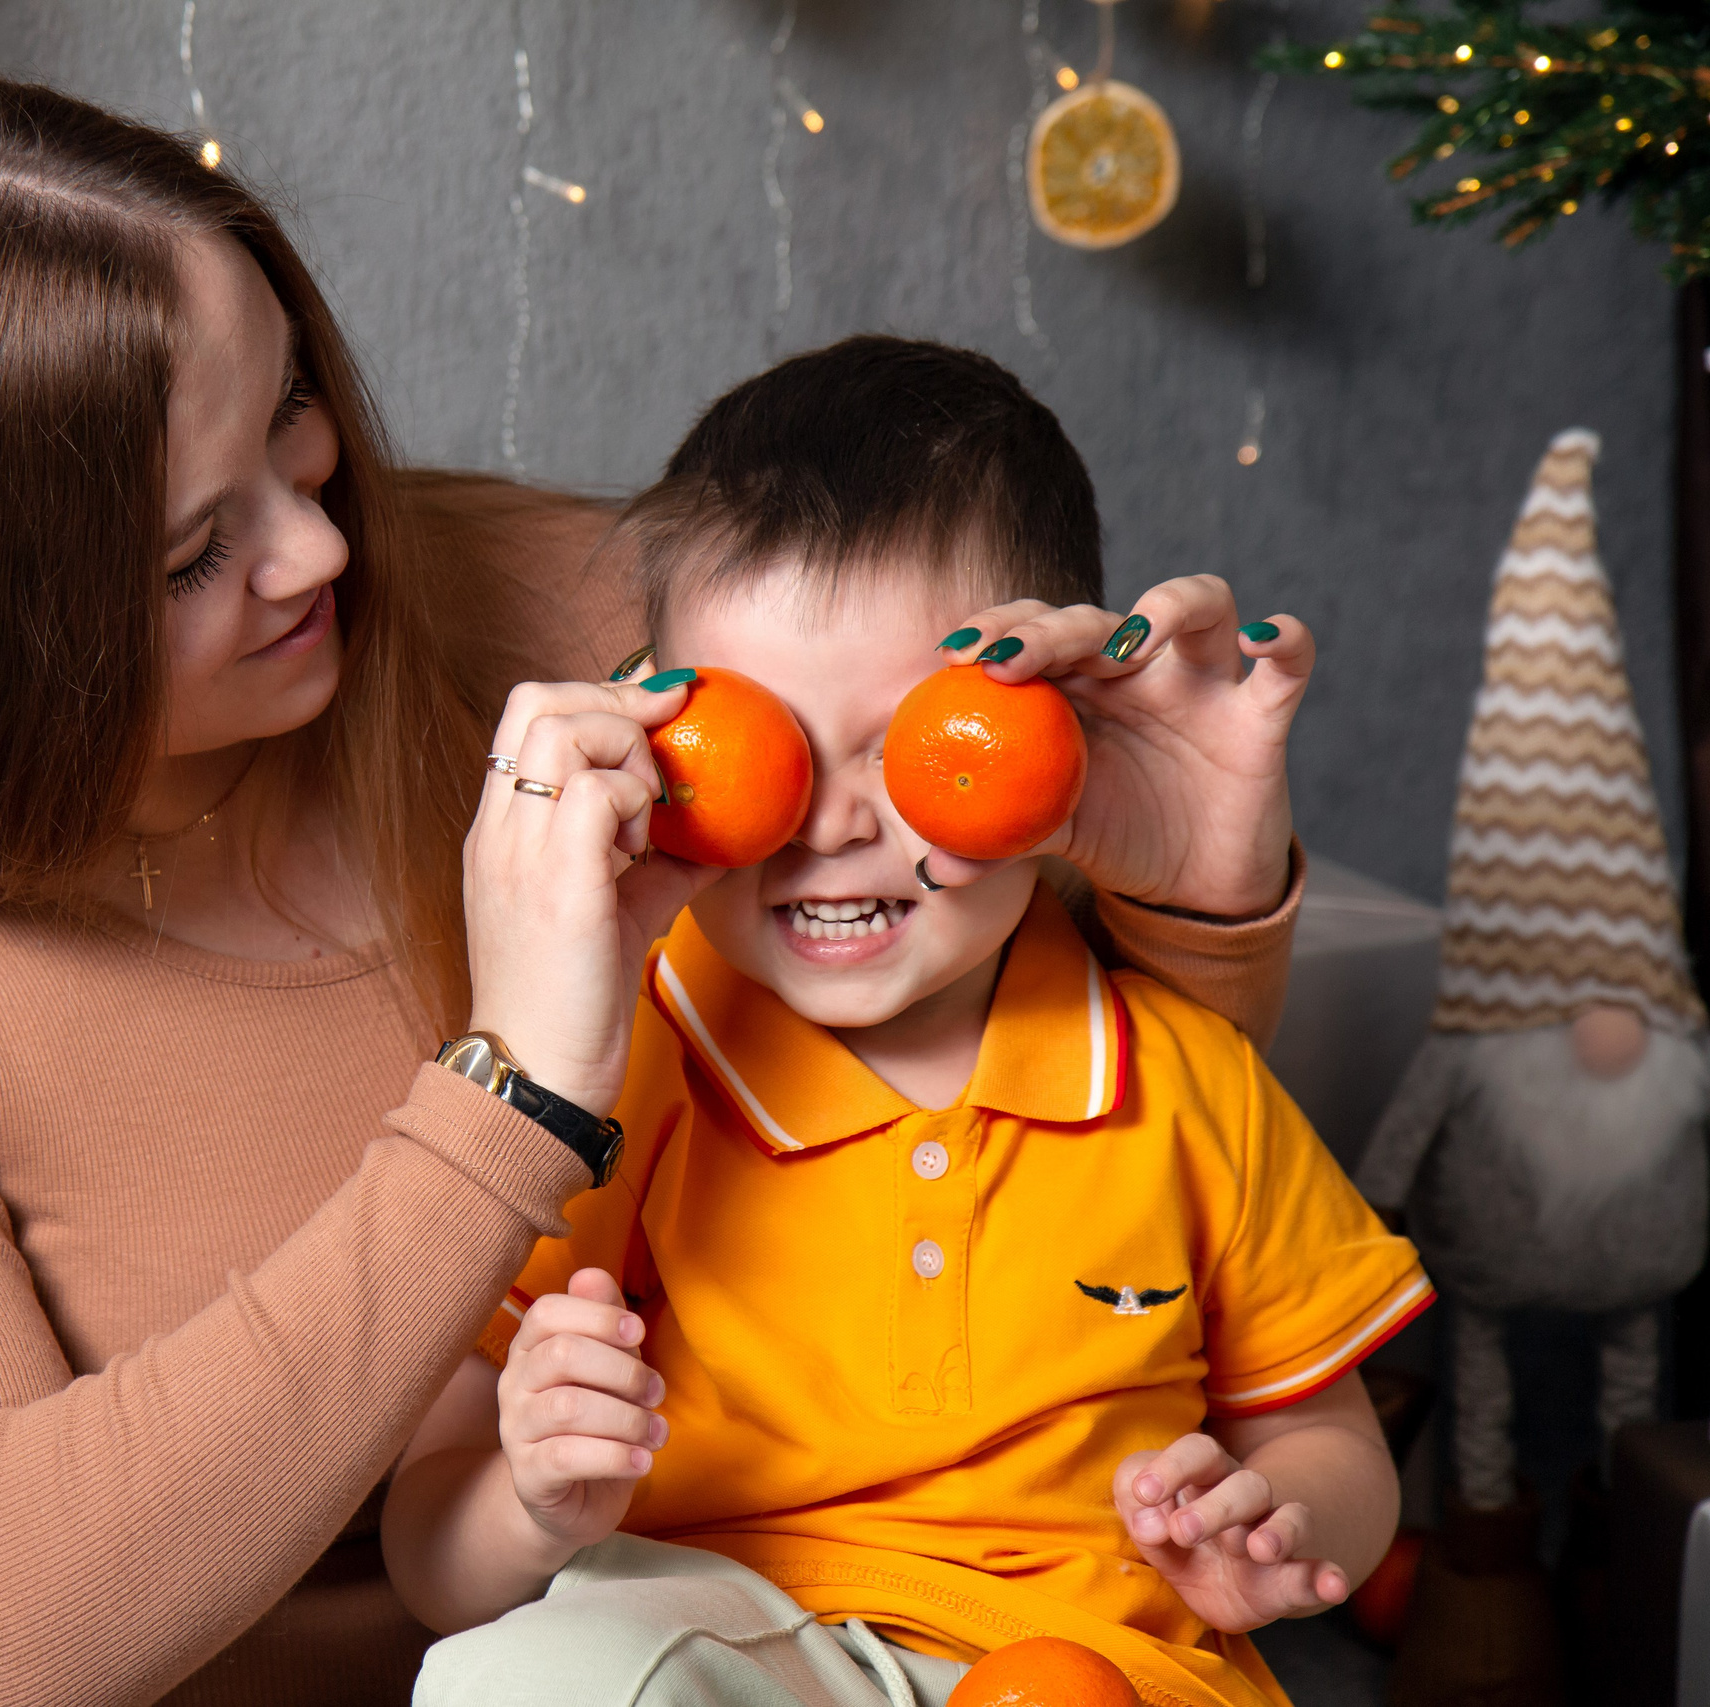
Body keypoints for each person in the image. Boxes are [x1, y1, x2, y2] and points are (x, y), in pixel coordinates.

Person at [0, 62, 1317, 1707]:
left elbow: (1105, 1167)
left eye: (292, 412)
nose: (319, 546)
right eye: (193, 551)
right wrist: (511, 1085)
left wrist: (1191, 904)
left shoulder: (539, 615)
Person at [381, 339, 1427, 1707]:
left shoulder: (1177, 1067)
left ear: (1064, 740)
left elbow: (1331, 1439)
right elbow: (430, 1558)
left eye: (912, 744)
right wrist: (533, 1500)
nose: (832, 824)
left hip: (1108, 1660)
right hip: (727, 1632)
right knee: (522, 1682)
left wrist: (1280, 1521)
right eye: (765, 747)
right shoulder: (629, 1052)